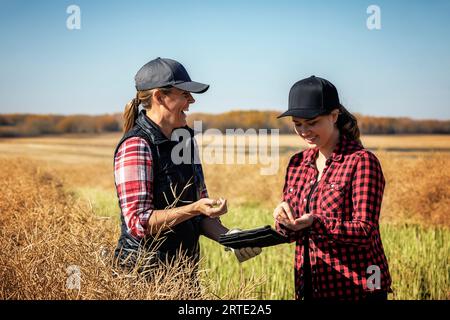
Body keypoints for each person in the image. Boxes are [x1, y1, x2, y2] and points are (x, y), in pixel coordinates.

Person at [113, 57, 261, 272]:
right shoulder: (137, 145)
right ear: (159, 97)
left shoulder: (185, 140)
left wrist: (229, 238)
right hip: (141, 276)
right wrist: (194, 208)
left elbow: (199, 214)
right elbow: (139, 223)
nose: (192, 100)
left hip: (183, 274)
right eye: (184, 94)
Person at [273, 76, 392, 300]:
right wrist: (283, 221)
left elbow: (365, 231)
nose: (304, 131)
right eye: (297, 124)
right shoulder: (297, 164)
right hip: (309, 286)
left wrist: (315, 222)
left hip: (359, 288)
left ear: (334, 116)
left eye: (312, 122)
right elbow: (291, 232)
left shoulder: (361, 161)